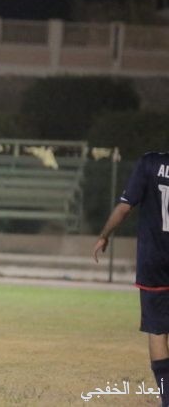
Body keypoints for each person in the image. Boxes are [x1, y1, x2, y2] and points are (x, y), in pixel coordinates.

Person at [93, 151, 169, 407]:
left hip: (154, 261)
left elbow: (125, 207)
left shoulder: (150, 163)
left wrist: (104, 235)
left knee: (157, 331)